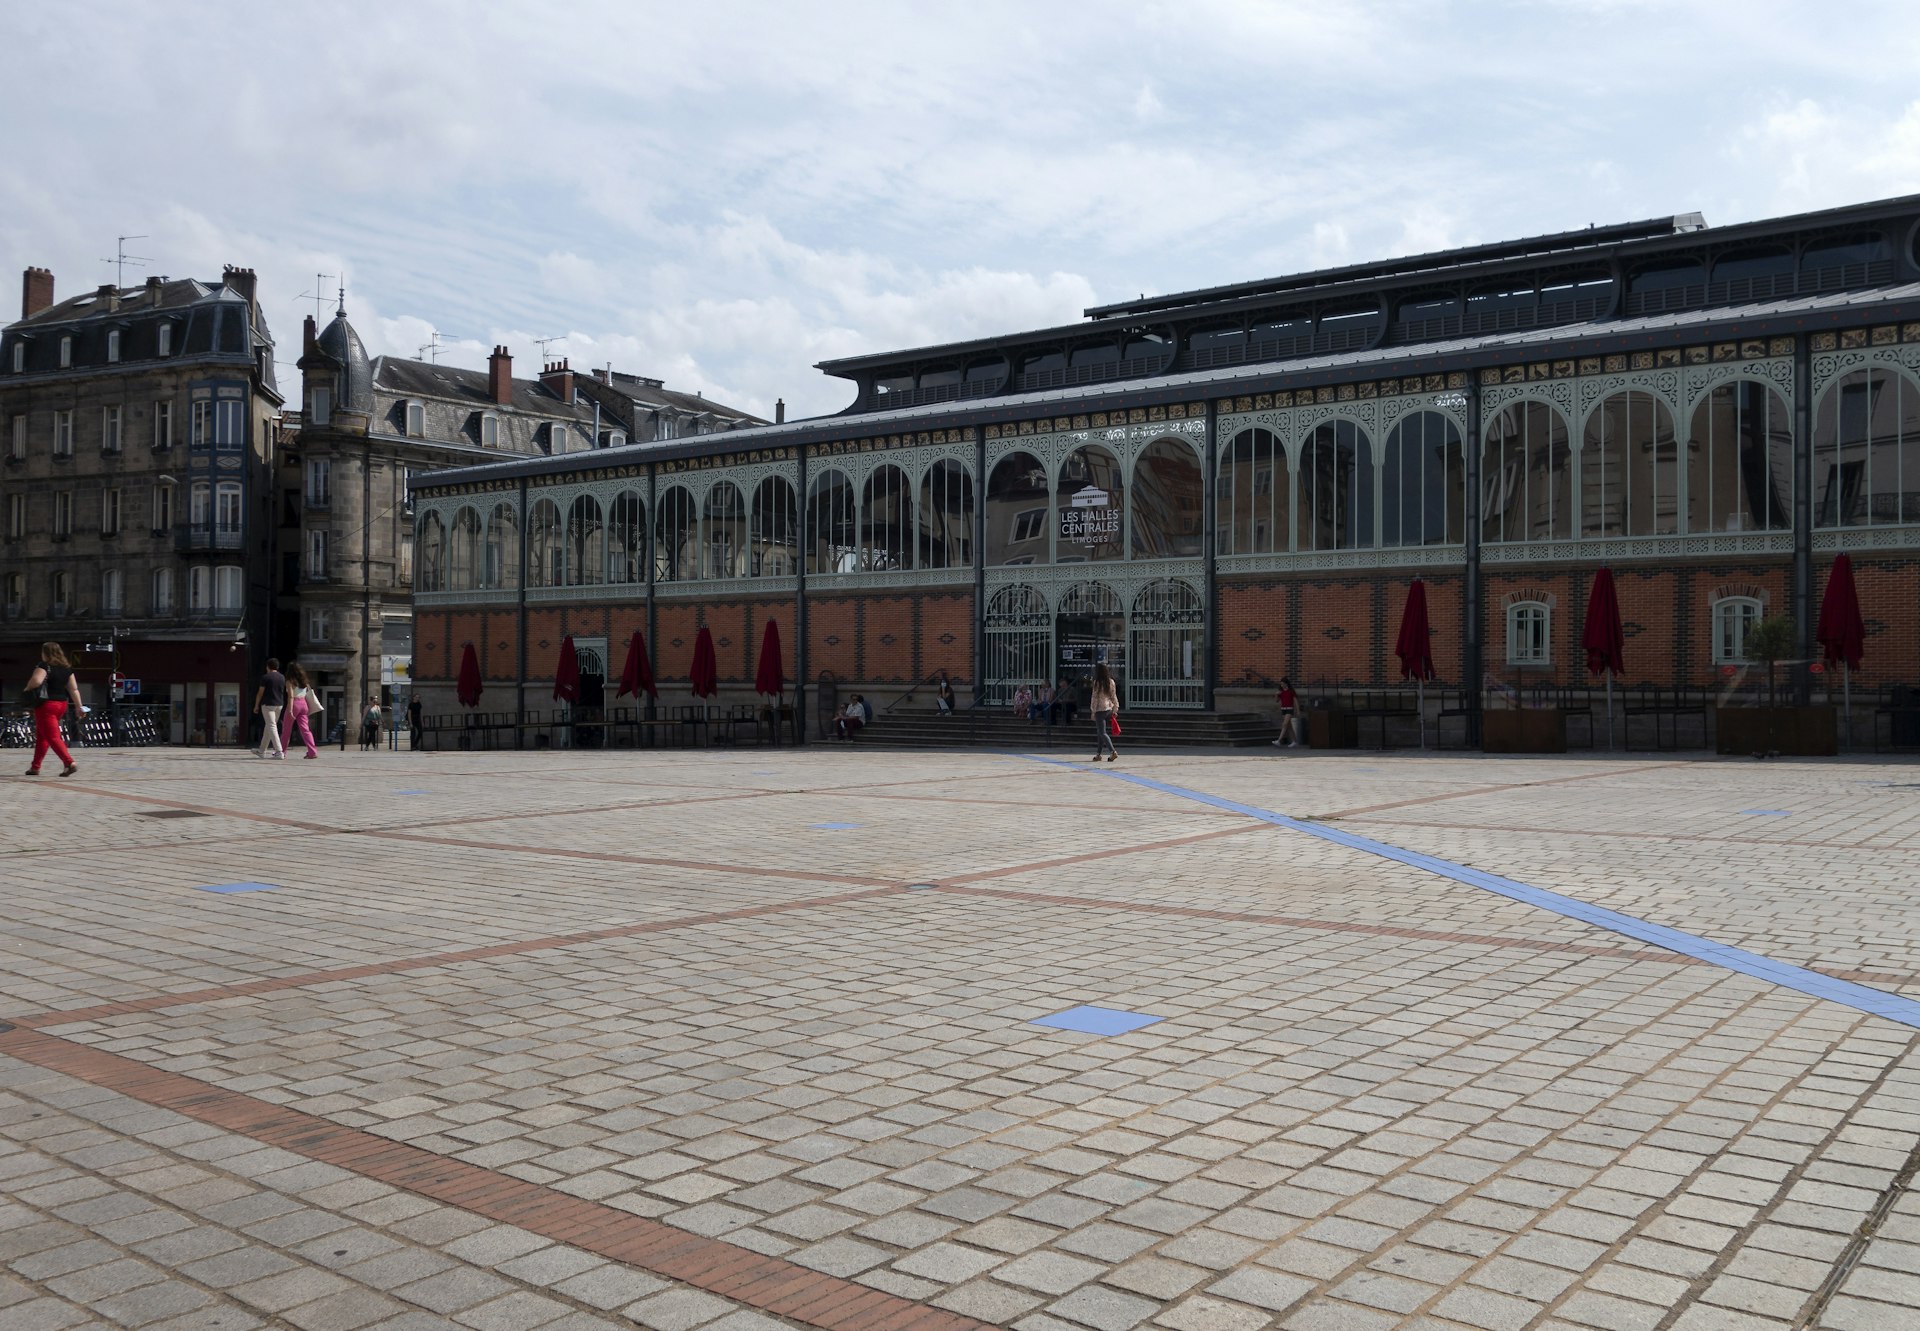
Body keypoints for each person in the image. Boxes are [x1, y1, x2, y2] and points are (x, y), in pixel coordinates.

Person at [22, 641, 83, 777]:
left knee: (53, 737)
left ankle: (69, 763)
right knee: (42, 736)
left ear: (45, 653)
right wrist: (79, 706)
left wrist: (27, 688)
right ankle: (35, 767)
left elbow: (36, 681)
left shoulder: (43, 666)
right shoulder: (67, 668)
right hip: (61, 704)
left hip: (46, 705)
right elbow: (74, 689)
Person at [279, 664, 323, 760]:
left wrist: (290, 710)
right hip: (304, 704)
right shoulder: (304, 681)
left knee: (286, 730)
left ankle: (282, 752)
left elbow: (290, 696)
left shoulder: (290, 681)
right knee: (305, 730)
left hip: (294, 704)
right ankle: (312, 751)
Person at [254, 658, 288, 760]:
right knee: (268, 727)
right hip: (279, 704)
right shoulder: (282, 677)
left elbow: (260, 693)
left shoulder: (265, 677)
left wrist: (256, 705)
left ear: (268, 666)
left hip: (268, 705)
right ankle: (261, 751)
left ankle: (279, 751)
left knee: (272, 726)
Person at [1089, 662, 1120, 763]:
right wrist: (1115, 708)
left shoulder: (1097, 682)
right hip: (1109, 708)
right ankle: (1098, 754)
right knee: (1100, 733)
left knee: (1102, 732)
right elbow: (1113, 696)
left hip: (1100, 710)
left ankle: (1112, 751)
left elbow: (1095, 698)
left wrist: (1093, 711)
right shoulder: (1111, 681)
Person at [1272, 676, 1300, 748]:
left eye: (1283, 684)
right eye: (1281, 684)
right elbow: (1276, 701)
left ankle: (1279, 740)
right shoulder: (1280, 691)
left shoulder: (1291, 691)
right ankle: (1294, 741)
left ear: (1286, 683)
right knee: (1289, 726)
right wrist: (1276, 694)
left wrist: (1298, 710)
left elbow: (1295, 701)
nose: (1281, 685)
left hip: (1289, 709)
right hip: (1283, 709)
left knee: (1284, 724)